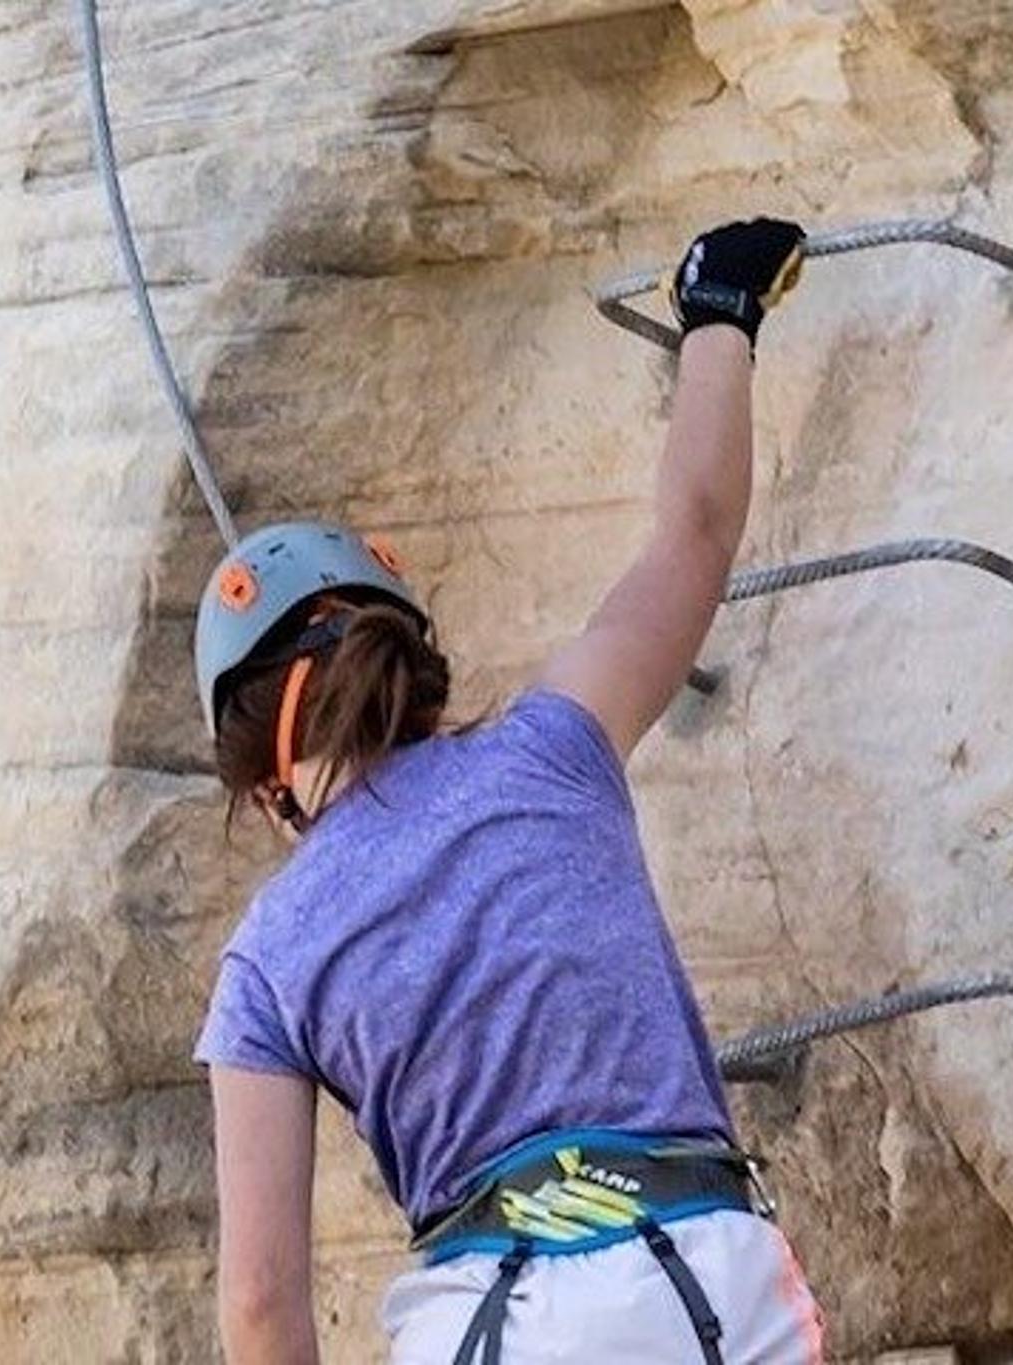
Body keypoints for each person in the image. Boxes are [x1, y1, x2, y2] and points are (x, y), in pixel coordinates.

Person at [192, 219, 824, 1364]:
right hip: (715, 1282)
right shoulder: (552, 746)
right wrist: (718, 313)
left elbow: (259, 1303)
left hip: (500, 1319)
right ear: (411, 674)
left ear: (263, 787)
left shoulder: (267, 960)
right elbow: (692, 535)